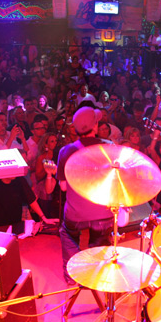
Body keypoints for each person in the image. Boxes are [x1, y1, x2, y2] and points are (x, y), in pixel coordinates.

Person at [54, 106, 115, 285]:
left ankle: (72, 278)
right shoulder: (109, 147)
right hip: (104, 214)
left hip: (76, 214)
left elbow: (63, 188)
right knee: (101, 239)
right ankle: (99, 275)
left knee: (67, 233)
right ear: (95, 126)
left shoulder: (66, 151)